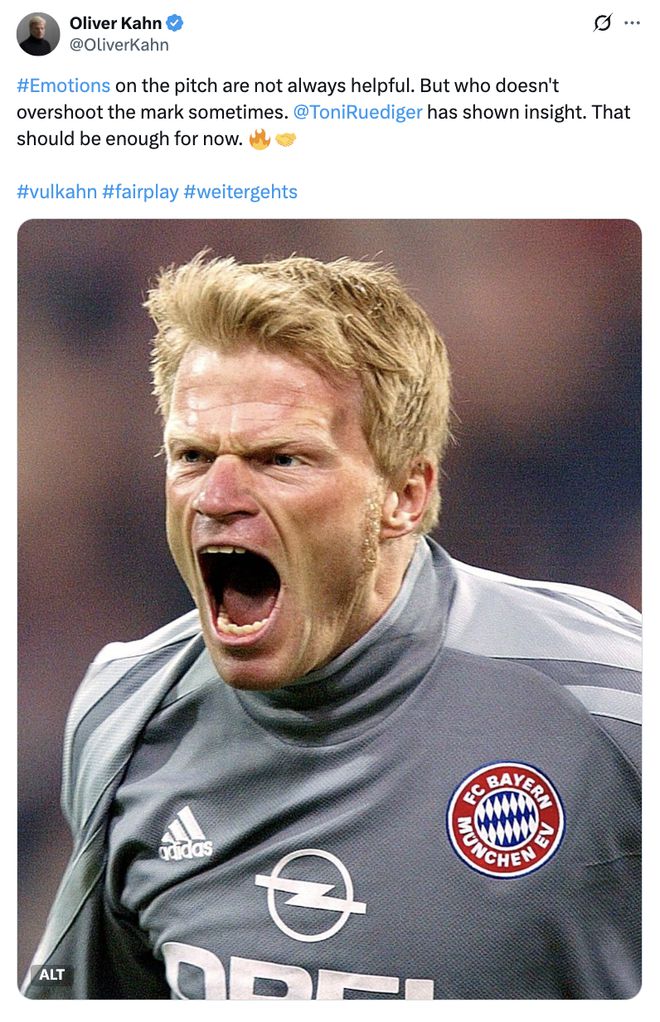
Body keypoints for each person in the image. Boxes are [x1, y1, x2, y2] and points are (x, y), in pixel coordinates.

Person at [23, 254, 640, 1000]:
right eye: (192, 456)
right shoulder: (128, 714)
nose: (216, 496)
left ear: (405, 495)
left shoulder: (611, 703)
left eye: (281, 458)